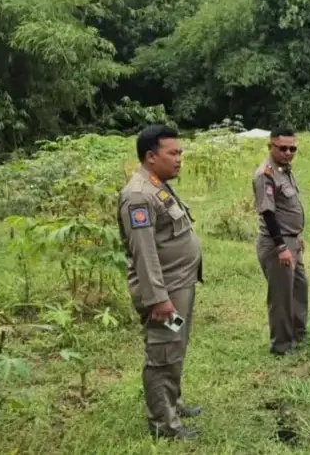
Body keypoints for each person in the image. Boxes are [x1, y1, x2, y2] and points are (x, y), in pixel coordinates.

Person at [117, 124, 204, 440]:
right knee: (163, 352)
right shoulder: (138, 195)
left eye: (180, 152)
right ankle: (162, 424)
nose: (180, 158)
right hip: (164, 290)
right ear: (151, 157)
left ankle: (172, 402)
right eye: (173, 153)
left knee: (175, 347)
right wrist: (158, 299)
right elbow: (144, 253)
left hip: (178, 283)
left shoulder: (157, 184)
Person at [252, 127, 308, 355]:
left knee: (299, 288)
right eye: (282, 148)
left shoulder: (284, 170)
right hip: (278, 244)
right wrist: (282, 246)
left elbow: (289, 207)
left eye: (292, 148)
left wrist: (297, 235)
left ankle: (297, 332)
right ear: (270, 147)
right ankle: (282, 345)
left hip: (291, 240)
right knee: (281, 296)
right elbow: (268, 213)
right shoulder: (265, 174)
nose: (287, 152)